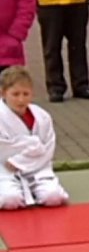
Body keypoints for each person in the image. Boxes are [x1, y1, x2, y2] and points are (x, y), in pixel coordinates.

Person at [0, 66, 68, 210]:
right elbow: (4, 149)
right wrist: (34, 146)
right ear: (3, 93)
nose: (21, 99)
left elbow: (47, 149)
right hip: (5, 171)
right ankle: (19, 191)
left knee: (54, 197)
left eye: (26, 94)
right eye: (15, 94)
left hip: (38, 170)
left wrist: (20, 158)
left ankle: (32, 190)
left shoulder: (42, 117)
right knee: (10, 200)